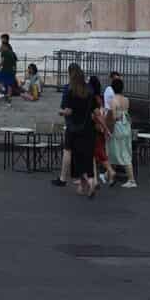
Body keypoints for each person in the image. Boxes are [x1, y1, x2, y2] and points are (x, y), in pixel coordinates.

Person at [56, 63, 98, 198]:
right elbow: (95, 111)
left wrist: (61, 112)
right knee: (87, 155)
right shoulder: (89, 90)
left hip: (73, 128)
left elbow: (68, 111)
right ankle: (90, 181)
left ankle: (82, 181)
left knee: (75, 156)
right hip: (88, 128)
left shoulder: (70, 90)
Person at [106, 75, 136, 188]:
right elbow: (126, 113)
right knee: (123, 152)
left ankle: (131, 180)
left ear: (113, 88)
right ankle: (109, 175)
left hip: (118, 128)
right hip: (126, 127)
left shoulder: (113, 100)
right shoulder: (126, 100)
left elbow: (113, 116)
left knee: (117, 152)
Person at [0, 34, 17, 101]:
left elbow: (2, 59)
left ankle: (1, 92)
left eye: (2, 38)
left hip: (6, 69)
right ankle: (8, 100)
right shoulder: (10, 47)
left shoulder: (5, 48)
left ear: (5, 39)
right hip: (12, 69)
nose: (1, 40)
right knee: (9, 84)